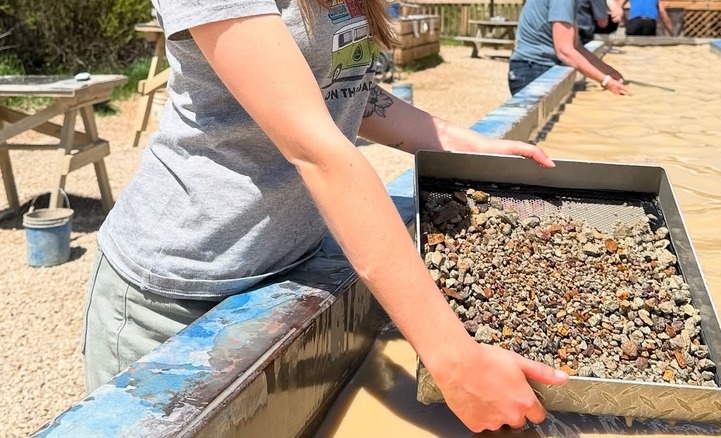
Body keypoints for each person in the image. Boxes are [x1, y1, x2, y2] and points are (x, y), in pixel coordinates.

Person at [81, 0, 570, 433]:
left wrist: (470, 145)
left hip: (287, 270)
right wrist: (453, 357)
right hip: (179, 290)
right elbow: (318, 151)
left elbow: (348, 91)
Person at [508, 0, 629, 96]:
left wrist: (609, 72)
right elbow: (565, 51)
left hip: (536, 66)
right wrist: (606, 81)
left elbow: (576, 46)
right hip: (533, 69)